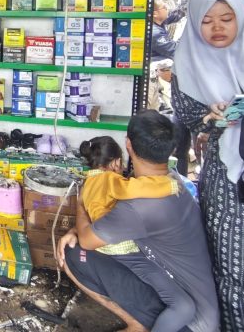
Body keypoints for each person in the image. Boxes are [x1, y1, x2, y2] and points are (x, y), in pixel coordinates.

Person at [57, 111, 219, 332]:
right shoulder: (170, 182)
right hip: (201, 307)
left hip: (187, 323)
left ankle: (139, 325)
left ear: (128, 144)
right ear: (172, 149)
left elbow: (87, 240)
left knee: (75, 252)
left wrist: (80, 204)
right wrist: (76, 228)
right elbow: (113, 219)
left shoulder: (139, 205)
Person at [172, 0, 244, 331]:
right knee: (232, 266)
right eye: (206, 21)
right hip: (227, 179)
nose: (217, 27)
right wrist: (211, 118)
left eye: (226, 18)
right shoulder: (188, 63)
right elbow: (193, 120)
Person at [78, 136, 191, 332]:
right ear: (115, 163)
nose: (123, 168)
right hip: (120, 246)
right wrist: (169, 185)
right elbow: (132, 188)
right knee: (179, 301)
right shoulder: (108, 179)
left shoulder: (88, 182)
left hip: (103, 245)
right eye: (121, 163)